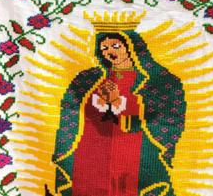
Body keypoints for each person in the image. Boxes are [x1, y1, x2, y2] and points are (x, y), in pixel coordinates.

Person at [50, 28, 185, 196]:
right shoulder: (92, 77)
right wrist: (101, 103)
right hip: (93, 144)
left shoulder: (151, 81)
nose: (110, 52)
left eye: (115, 45)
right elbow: (75, 108)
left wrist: (115, 101)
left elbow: (158, 117)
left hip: (132, 146)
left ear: (131, 48)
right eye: (105, 48)